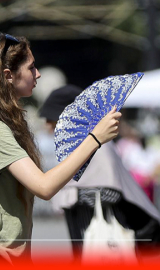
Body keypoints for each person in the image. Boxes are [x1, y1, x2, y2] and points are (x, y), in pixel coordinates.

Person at [0, 33, 121, 265]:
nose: (37, 73)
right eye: (31, 68)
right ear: (8, 76)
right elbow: (44, 186)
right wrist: (94, 139)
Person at [39, 84, 160, 260]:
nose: (48, 127)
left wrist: (70, 194)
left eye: (51, 120)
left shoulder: (98, 143)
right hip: (85, 239)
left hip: (107, 240)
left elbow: (111, 193)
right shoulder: (76, 146)